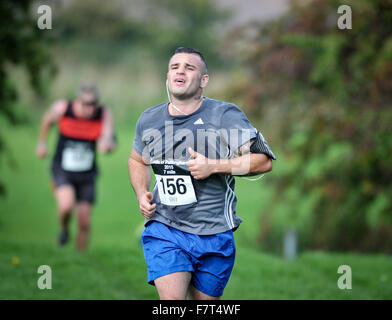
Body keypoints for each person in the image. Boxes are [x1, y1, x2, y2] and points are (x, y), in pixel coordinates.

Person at [128, 47, 276, 300]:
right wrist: (142, 192)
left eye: (189, 67)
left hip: (215, 231)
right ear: (168, 77)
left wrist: (214, 166)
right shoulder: (149, 118)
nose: (180, 71)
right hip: (165, 226)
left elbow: (262, 162)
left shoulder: (224, 115)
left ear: (204, 80)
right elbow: (137, 160)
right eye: (175, 67)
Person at [36, 83, 116, 251]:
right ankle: (64, 229)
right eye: (86, 103)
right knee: (66, 206)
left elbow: (108, 137)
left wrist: (106, 144)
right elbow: (47, 120)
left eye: (94, 103)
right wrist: (42, 143)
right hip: (62, 169)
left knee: (84, 221)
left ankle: (79, 259)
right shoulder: (63, 108)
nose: (91, 107)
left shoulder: (103, 113)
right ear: (78, 101)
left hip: (87, 174)